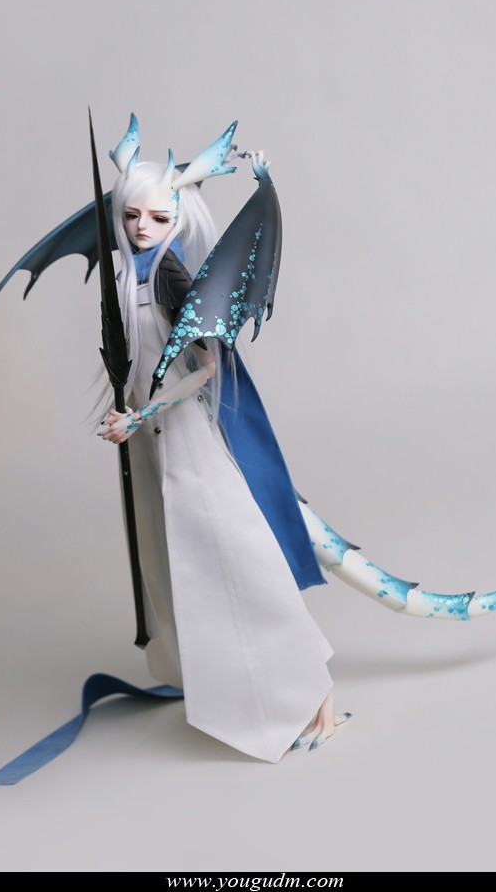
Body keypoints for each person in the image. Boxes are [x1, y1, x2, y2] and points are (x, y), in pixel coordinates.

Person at [96, 119, 350, 762]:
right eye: (131, 215)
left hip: (188, 437)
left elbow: (204, 368)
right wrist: (128, 412)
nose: (143, 228)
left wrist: (142, 412)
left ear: (179, 217)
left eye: (158, 217)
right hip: (155, 437)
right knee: (186, 562)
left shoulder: (171, 277)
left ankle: (314, 690)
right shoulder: (131, 275)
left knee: (239, 558)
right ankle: (241, 682)